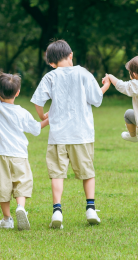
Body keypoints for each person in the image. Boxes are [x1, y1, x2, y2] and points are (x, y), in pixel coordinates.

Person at [31, 40, 110, 229]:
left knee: (57, 173)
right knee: (87, 172)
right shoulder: (83, 73)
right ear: (71, 55)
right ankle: (90, 208)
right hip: (81, 134)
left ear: (51, 63)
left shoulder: (50, 77)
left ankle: (57, 211)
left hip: (58, 135)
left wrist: (43, 116)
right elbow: (96, 99)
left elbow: (38, 101)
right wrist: (106, 85)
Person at [0, 62, 49, 230]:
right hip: (19, 154)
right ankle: (21, 207)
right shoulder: (22, 112)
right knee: (21, 182)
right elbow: (36, 129)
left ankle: (7, 219)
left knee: (3, 186)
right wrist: (49, 119)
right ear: (18, 92)